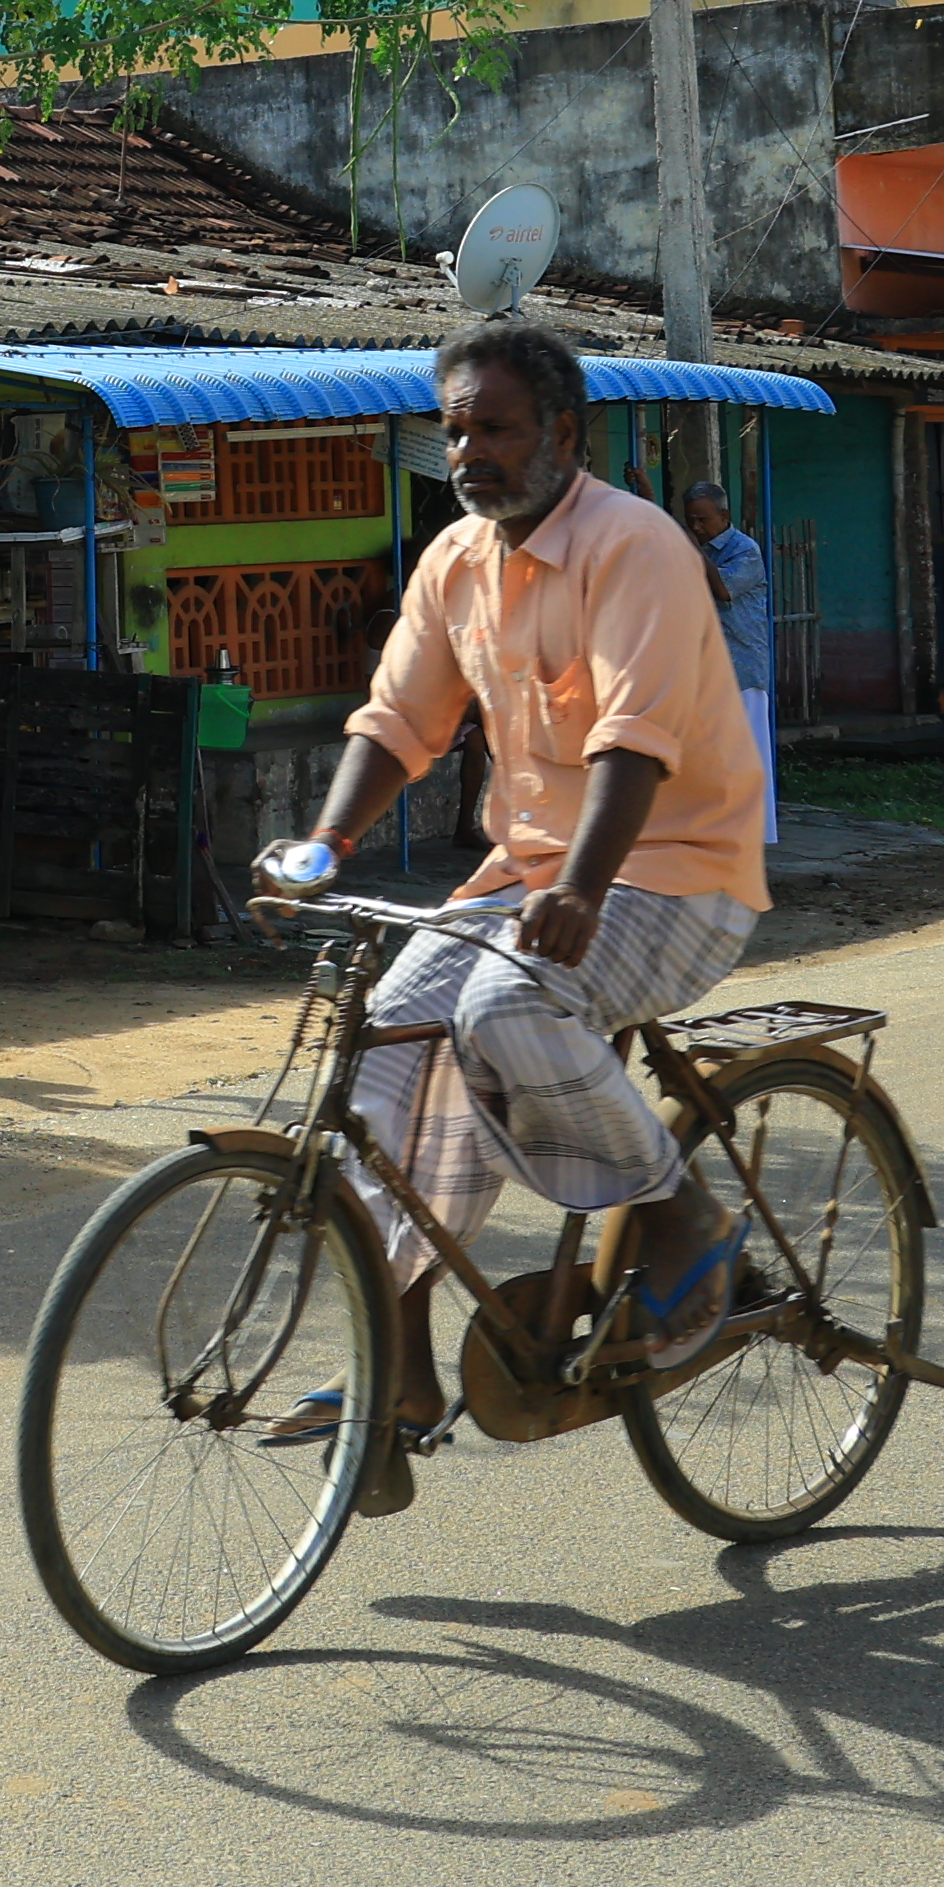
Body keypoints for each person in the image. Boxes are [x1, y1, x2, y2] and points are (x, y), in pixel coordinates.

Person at [248, 318, 772, 1505]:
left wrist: (582, 885)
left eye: (496, 426)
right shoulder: (455, 562)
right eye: (454, 430)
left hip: (675, 869)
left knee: (503, 1005)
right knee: (387, 1044)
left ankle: (687, 1220)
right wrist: (327, 844)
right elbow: (399, 722)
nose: (471, 451)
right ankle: (404, 1371)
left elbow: (635, 737)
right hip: (526, 881)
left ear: (563, 435)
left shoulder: (634, 546)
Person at [678, 474, 780, 852]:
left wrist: (691, 548)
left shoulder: (744, 550)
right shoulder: (696, 548)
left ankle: (753, 831)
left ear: (725, 515)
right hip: (708, 669)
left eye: (703, 520)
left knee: (747, 755)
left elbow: (721, 590)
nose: (697, 527)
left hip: (743, 669)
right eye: (691, 520)